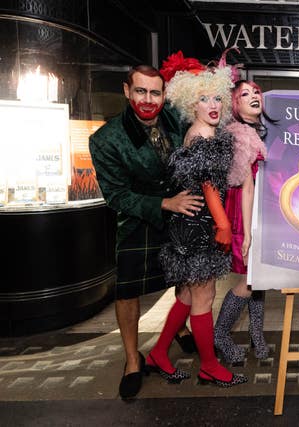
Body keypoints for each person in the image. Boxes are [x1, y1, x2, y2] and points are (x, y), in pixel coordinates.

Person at [89, 64, 205, 399]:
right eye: (140, 91)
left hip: (180, 209)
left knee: (183, 277)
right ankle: (131, 360)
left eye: (155, 92)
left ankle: (179, 326)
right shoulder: (106, 139)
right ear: (127, 91)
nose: (148, 99)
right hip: (138, 220)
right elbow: (116, 196)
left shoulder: (174, 118)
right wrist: (165, 203)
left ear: (164, 94)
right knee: (127, 291)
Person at [144, 52, 247, 387]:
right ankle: (209, 366)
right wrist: (224, 225)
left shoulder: (208, 132)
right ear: (192, 104)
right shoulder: (200, 135)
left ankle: (159, 353)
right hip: (200, 225)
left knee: (188, 296)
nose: (212, 104)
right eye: (203, 99)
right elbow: (207, 184)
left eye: (217, 97)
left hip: (196, 222)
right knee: (204, 296)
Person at [214, 80, 269, 363]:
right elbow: (246, 187)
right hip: (245, 210)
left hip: (257, 207)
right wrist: (247, 233)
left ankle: (256, 335)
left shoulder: (255, 131)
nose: (253, 96)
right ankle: (220, 335)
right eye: (244, 94)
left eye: (256, 92)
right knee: (249, 280)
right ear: (235, 104)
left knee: (259, 279)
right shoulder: (239, 134)